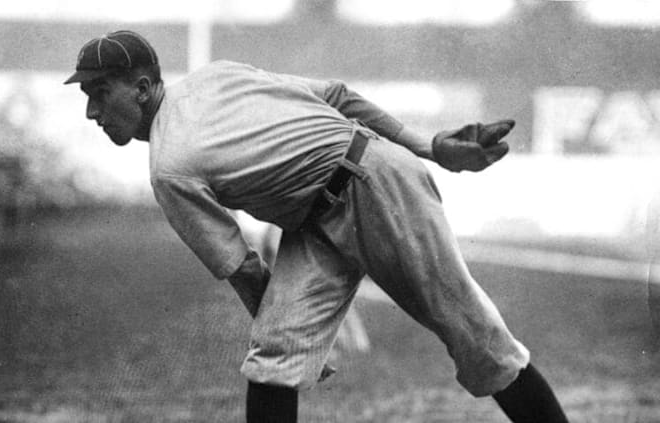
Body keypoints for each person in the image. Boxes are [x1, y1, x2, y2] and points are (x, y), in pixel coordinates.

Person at [65, 30, 569, 423]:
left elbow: (241, 266)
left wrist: (430, 150)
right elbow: (338, 94)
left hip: (378, 188)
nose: (91, 110)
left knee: (476, 337)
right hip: (316, 220)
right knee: (273, 359)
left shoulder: (169, 167)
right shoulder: (214, 75)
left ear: (143, 88)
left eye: (100, 92)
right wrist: (428, 145)